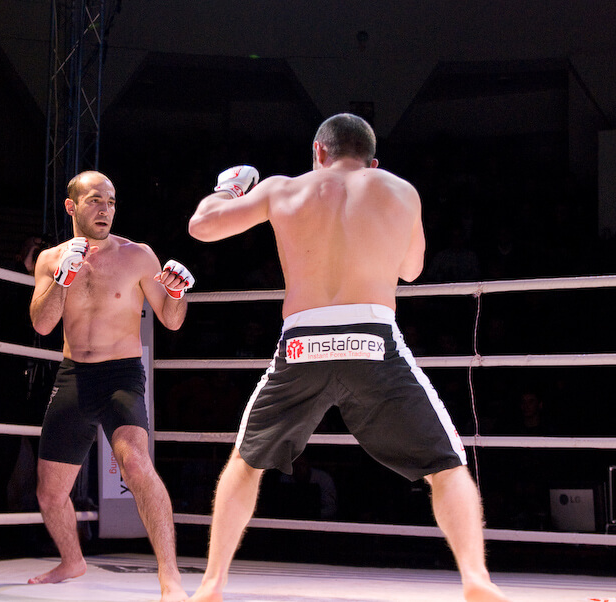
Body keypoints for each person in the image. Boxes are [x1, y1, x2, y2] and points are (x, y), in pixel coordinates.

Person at [186, 114, 510, 602]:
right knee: (448, 465)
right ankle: (476, 579)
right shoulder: (400, 190)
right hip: (372, 336)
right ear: (372, 161)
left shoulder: (283, 188)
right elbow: (412, 269)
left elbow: (202, 227)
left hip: (301, 341)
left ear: (318, 151)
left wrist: (227, 190)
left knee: (246, 461)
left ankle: (212, 584)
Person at [28, 170, 193, 602]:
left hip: (120, 375)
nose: (106, 209)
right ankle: (72, 561)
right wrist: (63, 278)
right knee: (50, 493)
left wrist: (177, 293)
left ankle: (170, 575)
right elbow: (42, 325)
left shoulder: (138, 256)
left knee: (135, 465)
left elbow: (171, 320)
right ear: (72, 206)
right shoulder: (50, 259)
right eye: (95, 200)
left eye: (112, 201)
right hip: (73, 376)